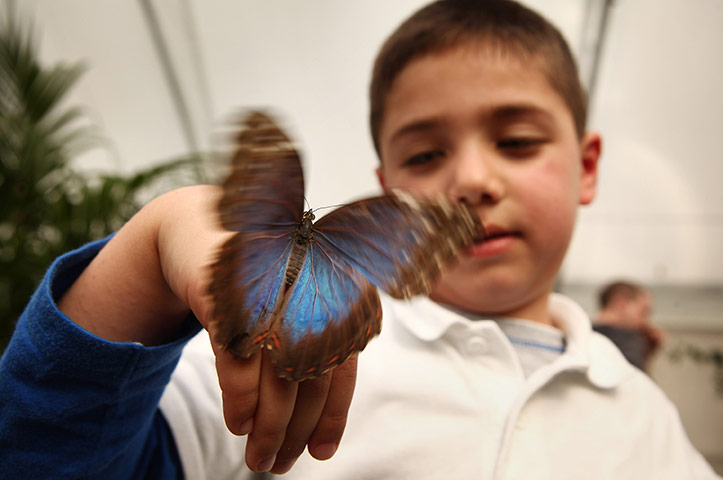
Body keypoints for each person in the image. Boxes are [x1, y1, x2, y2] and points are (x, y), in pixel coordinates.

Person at [1, 0, 719, 478]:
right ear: (385, 188)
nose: (471, 179)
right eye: (425, 157)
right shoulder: (257, 373)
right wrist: (150, 253)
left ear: (587, 167)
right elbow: (45, 459)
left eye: (517, 140)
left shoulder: (648, 422)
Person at [593, 280, 665, 372]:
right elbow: (636, 382)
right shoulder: (629, 340)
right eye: (643, 312)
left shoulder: (578, 335)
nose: (645, 321)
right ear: (620, 302)